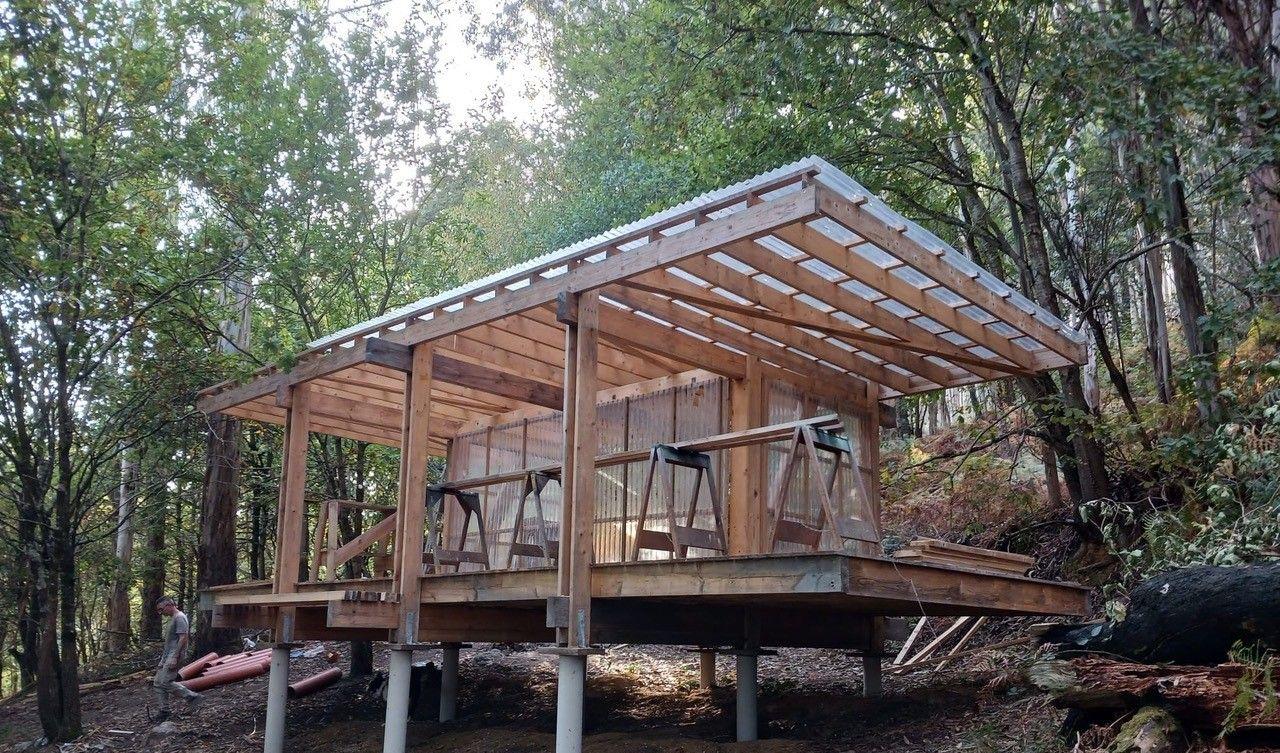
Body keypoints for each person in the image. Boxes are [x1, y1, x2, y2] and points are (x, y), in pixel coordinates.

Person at [152, 596, 201, 719]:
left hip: (175, 655)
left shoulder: (180, 617)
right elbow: (169, 643)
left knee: (165, 682)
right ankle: (164, 710)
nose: (161, 613)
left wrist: (175, 657)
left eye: (161, 609)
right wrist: (162, 660)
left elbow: (183, 638)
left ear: (169, 605)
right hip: (168, 655)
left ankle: (192, 696)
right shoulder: (172, 619)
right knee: (158, 682)